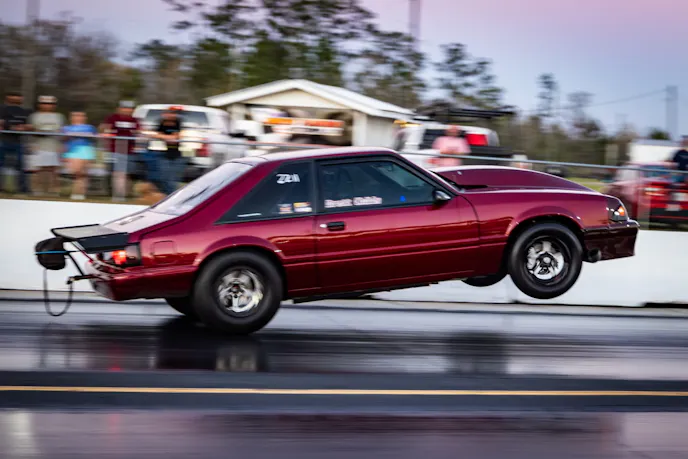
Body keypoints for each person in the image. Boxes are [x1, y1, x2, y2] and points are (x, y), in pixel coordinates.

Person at [100, 101, 140, 201]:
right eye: (125, 108)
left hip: (129, 151)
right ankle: (118, 195)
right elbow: (105, 130)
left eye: (130, 108)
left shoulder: (135, 120)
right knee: (117, 173)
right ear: (120, 108)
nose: (127, 110)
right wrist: (107, 133)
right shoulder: (113, 118)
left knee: (126, 174)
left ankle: (125, 194)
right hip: (115, 150)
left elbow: (139, 132)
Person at [28, 95, 65, 196]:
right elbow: (33, 130)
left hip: (54, 146)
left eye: (50, 104)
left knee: (54, 170)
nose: (47, 105)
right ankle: (37, 190)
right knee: (38, 169)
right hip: (39, 145)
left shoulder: (59, 116)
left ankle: (54, 191)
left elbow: (60, 131)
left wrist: (61, 145)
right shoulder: (35, 116)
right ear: (40, 104)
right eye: (44, 103)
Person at [0, 91, 33, 194]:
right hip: (3, 140)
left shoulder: (24, 111)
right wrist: (9, 126)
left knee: (20, 166)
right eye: (12, 99)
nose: (15, 101)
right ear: (7, 99)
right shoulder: (2, 109)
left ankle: (23, 189)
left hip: (18, 142)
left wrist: (24, 127)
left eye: (17, 99)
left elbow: (30, 126)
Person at [62, 111, 97, 200]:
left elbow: (93, 137)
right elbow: (63, 139)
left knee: (83, 174)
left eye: (81, 116)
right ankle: (76, 192)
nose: (78, 117)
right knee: (77, 173)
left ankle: (80, 194)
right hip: (73, 151)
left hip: (86, 150)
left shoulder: (89, 127)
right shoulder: (66, 128)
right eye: (76, 116)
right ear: (71, 117)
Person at [152, 107, 183, 195]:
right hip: (162, 152)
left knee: (173, 176)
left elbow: (176, 137)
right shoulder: (161, 122)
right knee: (163, 175)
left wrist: (165, 137)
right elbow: (157, 135)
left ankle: (171, 194)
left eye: (172, 113)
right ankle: (165, 193)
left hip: (175, 153)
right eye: (168, 113)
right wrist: (168, 137)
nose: (170, 115)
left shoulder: (177, 122)